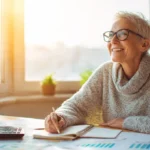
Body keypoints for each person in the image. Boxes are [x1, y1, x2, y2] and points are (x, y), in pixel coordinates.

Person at [45, 11, 150, 134]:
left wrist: (125, 122)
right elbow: (76, 106)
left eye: (122, 34)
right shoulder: (105, 72)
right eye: (111, 35)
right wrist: (61, 117)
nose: (113, 41)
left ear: (144, 44)